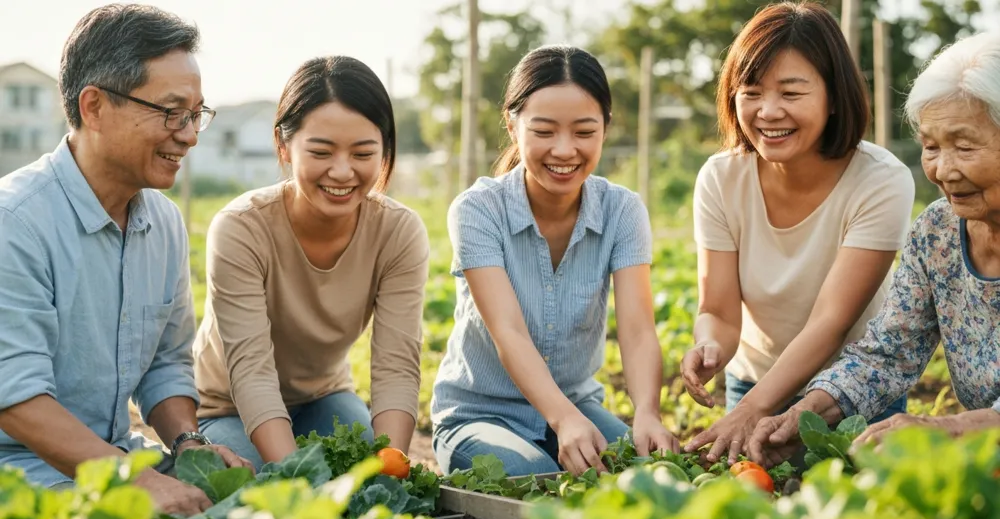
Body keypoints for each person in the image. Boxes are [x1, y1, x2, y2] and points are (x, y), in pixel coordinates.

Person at [0, 4, 250, 515]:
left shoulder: (164, 221)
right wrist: (129, 484)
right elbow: (16, 399)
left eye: (196, 113)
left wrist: (186, 446)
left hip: (112, 457)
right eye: (171, 111)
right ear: (93, 106)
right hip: (18, 472)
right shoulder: (15, 224)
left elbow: (165, 364)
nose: (189, 134)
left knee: (248, 506)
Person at [748, 30, 1000, 466]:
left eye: (963, 146)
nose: (943, 170)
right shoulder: (936, 234)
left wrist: (951, 427)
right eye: (930, 146)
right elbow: (887, 353)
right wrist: (806, 413)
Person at [681, 1, 915, 465]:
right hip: (755, 381)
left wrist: (753, 410)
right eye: (751, 91)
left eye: (791, 93)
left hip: (850, 397)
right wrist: (709, 343)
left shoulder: (880, 180)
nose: (768, 111)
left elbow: (832, 323)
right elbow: (719, 309)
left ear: (833, 97)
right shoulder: (721, 178)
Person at [430, 45, 677, 478]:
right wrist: (561, 420)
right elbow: (508, 333)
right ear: (512, 124)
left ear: (606, 127)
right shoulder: (478, 210)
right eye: (544, 131)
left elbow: (637, 330)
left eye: (584, 132)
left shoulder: (622, 211)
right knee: (534, 477)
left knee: (650, 474)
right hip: (480, 415)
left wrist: (647, 413)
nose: (565, 151)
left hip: (577, 408)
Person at [193, 56, 429, 470]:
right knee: (257, 489)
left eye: (362, 153)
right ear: (284, 146)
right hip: (224, 406)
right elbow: (251, 370)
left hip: (323, 397)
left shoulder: (398, 232)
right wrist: (293, 478)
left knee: (368, 473)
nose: (342, 172)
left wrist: (393, 465)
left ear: (385, 150)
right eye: (321, 151)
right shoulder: (241, 228)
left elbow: (396, 365)